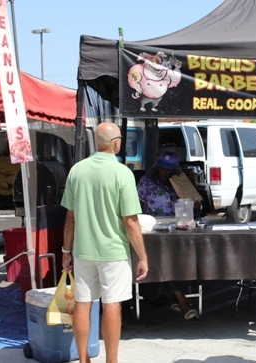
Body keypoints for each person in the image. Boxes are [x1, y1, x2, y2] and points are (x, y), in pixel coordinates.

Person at [61, 122, 149, 363]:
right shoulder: (123, 173)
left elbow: (70, 218)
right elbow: (130, 221)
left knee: (83, 302)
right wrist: (142, 256)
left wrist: (65, 251)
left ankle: (83, 359)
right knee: (112, 305)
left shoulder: (77, 171)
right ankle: (111, 360)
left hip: (82, 250)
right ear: (117, 143)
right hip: (113, 252)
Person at [137, 151, 199, 320]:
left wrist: (192, 196)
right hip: (153, 229)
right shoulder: (146, 183)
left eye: (168, 169)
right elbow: (135, 206)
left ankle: (177, 298)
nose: (164, 172)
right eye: (162, 168)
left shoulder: (179, 183)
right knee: (166, 260)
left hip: (176, 228)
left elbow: (195, 208)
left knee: (180, 260)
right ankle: (182, 302)